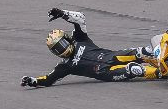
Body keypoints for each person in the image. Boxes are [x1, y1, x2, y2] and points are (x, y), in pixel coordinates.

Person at [21, 8, 160, 88]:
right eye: (57, 49)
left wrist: (62, 13)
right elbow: (48, 80)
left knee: (144, 51)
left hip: (113, 56)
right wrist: (33, 81)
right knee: (133, 68)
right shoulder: (64, 66)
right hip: (107, 72)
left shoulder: (80, 38)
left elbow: (80, 19)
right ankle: (161, 73)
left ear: (67, 38)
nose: (61, 50)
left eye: (61, 45)